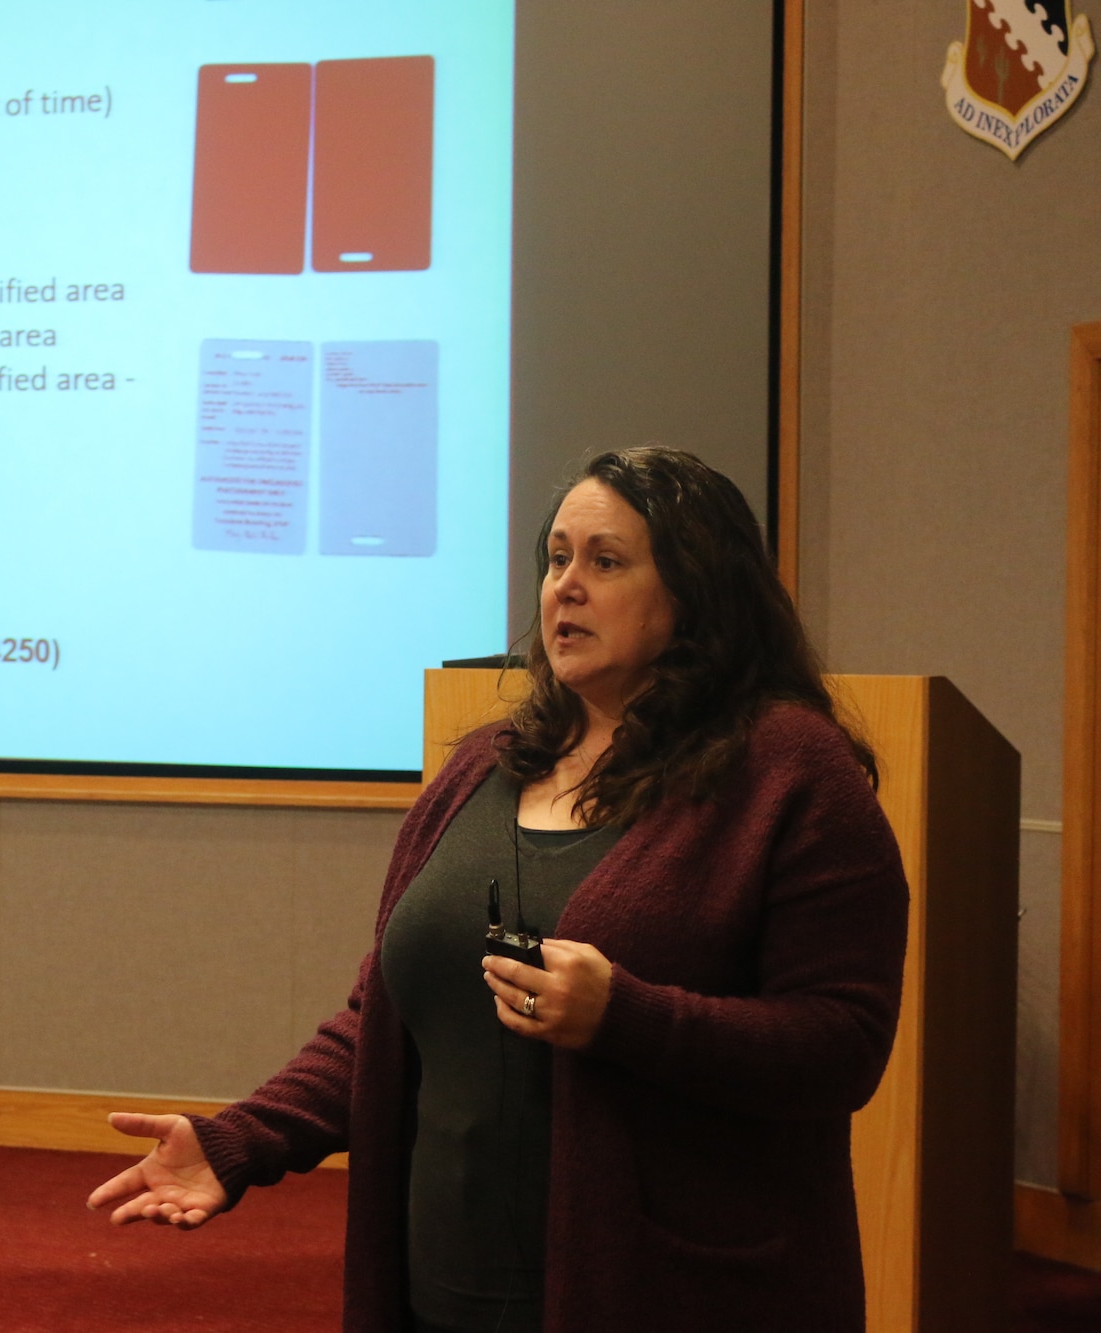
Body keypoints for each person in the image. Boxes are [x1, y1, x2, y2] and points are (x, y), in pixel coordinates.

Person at [87, 448, 909, 1333]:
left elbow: (842, 1043)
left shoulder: (788, 770)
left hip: (670, 1287)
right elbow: (385, 1017)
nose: (566, 587)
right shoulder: (483, 764)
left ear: (698, 588)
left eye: (606, 561)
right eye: (557, 559)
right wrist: (241, 1139)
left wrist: (626, 1017)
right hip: (448, 1277)